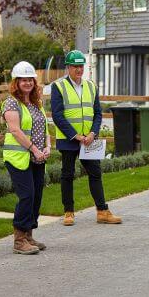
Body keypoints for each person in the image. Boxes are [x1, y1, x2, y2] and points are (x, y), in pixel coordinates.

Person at [51, 50, 121, 226]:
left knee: (95, 173)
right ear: (68, 67)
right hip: (69, 140)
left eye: (81, 66)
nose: (78, 69)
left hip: (89, 140)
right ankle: (68, 212)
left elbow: (97, 113)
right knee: (67, 175)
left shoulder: (91, 86)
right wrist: (75, 136)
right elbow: (57, 116)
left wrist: (92, 134)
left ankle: (102, 211)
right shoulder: (58, 86)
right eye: (75, 66)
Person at [2, 61, 51, 255]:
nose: (27, 82)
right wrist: (33, 149)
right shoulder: (11, 103)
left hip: (37, 157)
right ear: (16, 82)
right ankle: (19, 240)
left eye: (30, 79)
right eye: (23, 79)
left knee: (36, 196)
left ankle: (29, 235)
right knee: (27, 195)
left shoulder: (35, 103)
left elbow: (44, 127)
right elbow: (15, 130)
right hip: (18, 157)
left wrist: (47, 146)